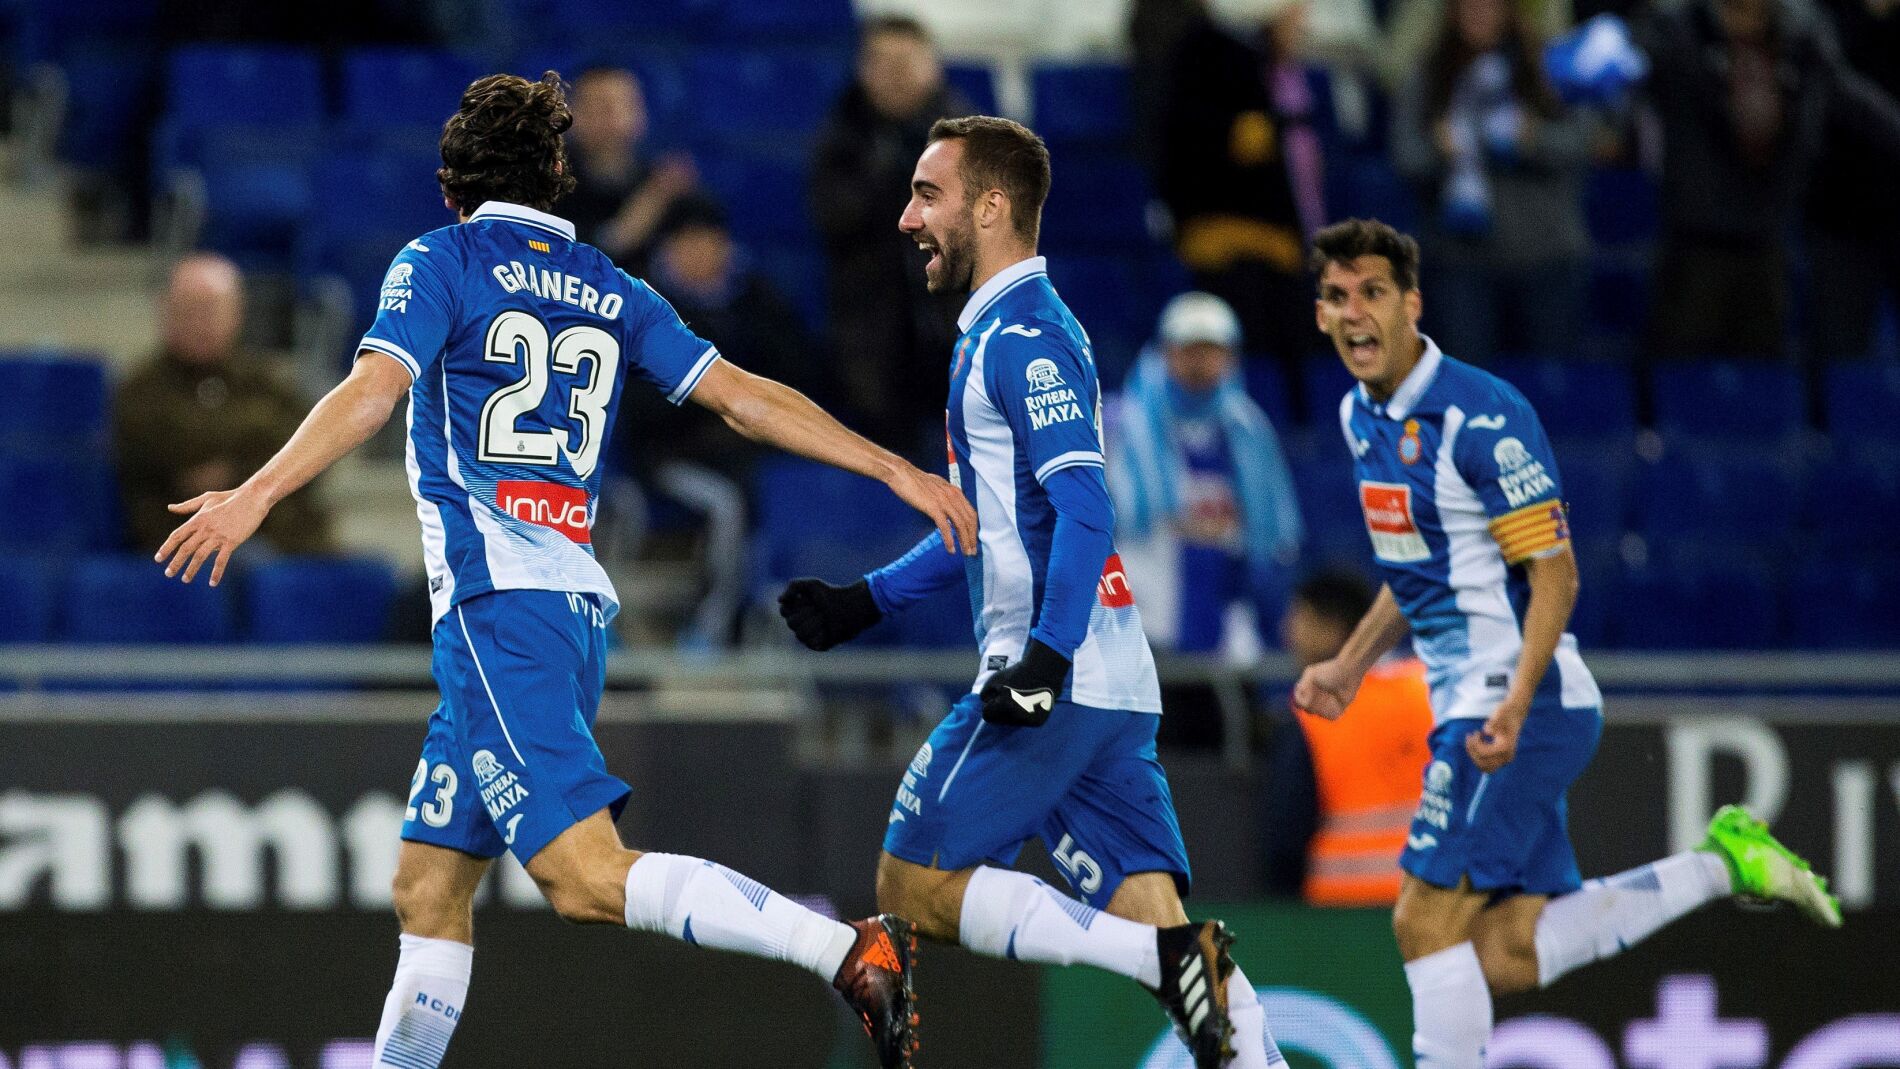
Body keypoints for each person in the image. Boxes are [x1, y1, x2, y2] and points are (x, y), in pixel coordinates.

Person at [153, 72, 981, 1069]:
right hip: (567, 610)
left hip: (500, 611)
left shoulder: (444, 259)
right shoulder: (607, 283)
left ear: (451, 187)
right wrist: (891, 465)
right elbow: (739, 396)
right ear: (558, 174)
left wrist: (255, 493)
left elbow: (373, 390)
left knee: (585, 878)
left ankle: (842, 949)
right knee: (428, 886)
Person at [776, 115, 1286, 1069]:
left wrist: (1045, 658)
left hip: (1057, 675)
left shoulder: (1023, 338)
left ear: (991, 207)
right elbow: (987, 519)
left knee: (912, 882)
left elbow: (1087, 509)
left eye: (928, 195)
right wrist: (868, 601)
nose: (908, 218)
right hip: (1109, 677)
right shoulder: (1008, 331)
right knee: (1159, 920)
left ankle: (1162, 958)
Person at [1294, 217, 1841, 1069]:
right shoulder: (1359, 415)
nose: (1355, 312)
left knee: (1422, 919)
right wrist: (1350, 663)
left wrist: (1516, 702)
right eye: (1337, 296)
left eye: (1373, 293)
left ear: (1412, 305)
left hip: (1520, 703)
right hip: (1481, 702)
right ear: (1321, 314)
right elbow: (1418, 568)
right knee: (1504, 951)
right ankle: (1726, 862)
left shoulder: (1481, 417)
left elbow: (1557, 574)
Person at [1633, 0, 1900, 359]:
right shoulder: (1678, 26)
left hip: (1767, 239)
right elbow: (1625, 78)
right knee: (1682, 375)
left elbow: (1850, 96)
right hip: (1695, 241)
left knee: (1764, 379)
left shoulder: (1801, 33)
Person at [1391, 0, 1593, 362]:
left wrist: (1534, 139)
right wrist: (1440, 150)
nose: (1479, 10)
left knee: (1549, 384)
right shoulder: (1429, 73)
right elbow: (1406, 157)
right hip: (1462, 263)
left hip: (1546, 259)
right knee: (1471, 387)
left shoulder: (1548, 67)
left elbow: (1580, 143)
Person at [1156, 0, 1334, 408]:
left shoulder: (1288, 75)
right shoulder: (1203, 53)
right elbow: (1186, 146)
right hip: (1223, 242)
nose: (1301, 20)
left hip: (1284, 242)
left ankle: (1300, 430)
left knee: (1308, 338)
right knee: (1245, 341)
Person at [1107, 291, 1303, 658]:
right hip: (1141, 615)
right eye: (1189, 350)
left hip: (1228, 620)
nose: (1199, 363)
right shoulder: (1122, 425)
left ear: (1231, 358)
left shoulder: (1248, 429)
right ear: (1165, 352)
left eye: (1211, 351)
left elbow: (1272, 527)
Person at [810, 15, 970, 454]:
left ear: (933, 68)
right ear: (862, 70)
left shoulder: (970, 139)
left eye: (907, 62)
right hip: (875, 343)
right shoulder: (842, 137)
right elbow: (835, 219)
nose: (896, 76)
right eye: (882, 62)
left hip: (958, 328)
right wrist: (891, 175)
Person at [115, 253, 333, 556]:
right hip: (183, 539)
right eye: (188, 310)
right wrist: (257, 460)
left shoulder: (269, 383)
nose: (199, 322)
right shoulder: (140, 391)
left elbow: (313, 449)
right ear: (165, 312)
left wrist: (237, 471)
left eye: (210, 309)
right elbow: (165, 457)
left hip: (286, 535)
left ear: (237, 313)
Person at [1259, 569, 1432, 905]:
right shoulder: (1428, 689)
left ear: (1330, 628)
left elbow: (1285, 836)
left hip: (1339, 909)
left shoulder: (1313, 713)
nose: (1287, 633)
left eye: (1299, 620)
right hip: (1429, 898)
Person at [562, 65, 698, 272]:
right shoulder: (549, 183)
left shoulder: (672, 188)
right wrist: (646, 208)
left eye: (621, 105)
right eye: (598, 108)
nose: (611, 119)